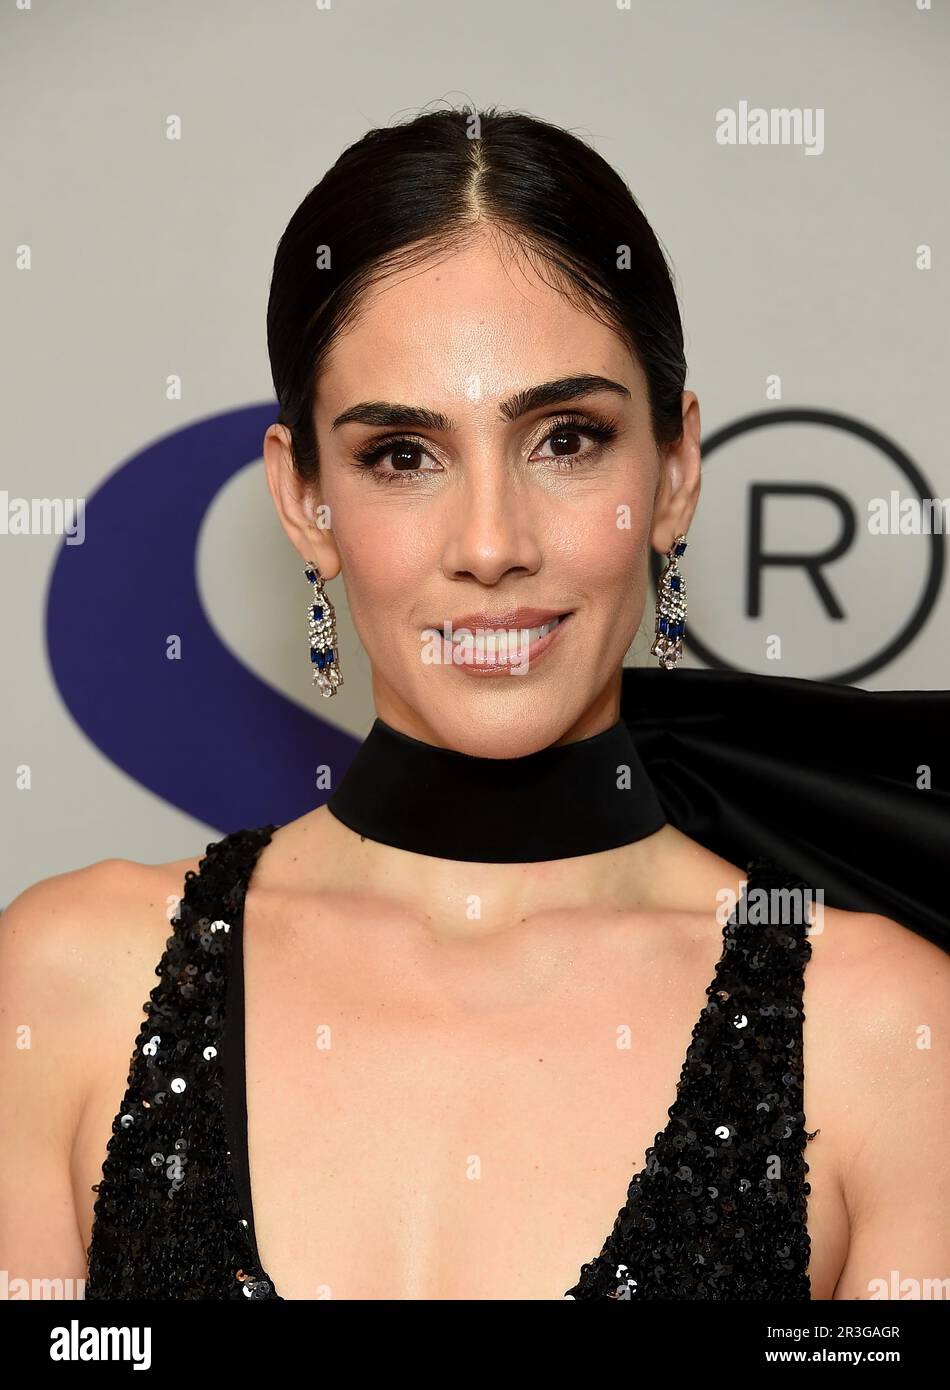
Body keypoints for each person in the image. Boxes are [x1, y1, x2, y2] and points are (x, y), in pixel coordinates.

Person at [2, 106, 948, 1302]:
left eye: (566, 439)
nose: (491, 543)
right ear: (303, 501)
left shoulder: (883, 1033)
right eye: (402, 454)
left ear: (673, 474)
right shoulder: (67, 983)